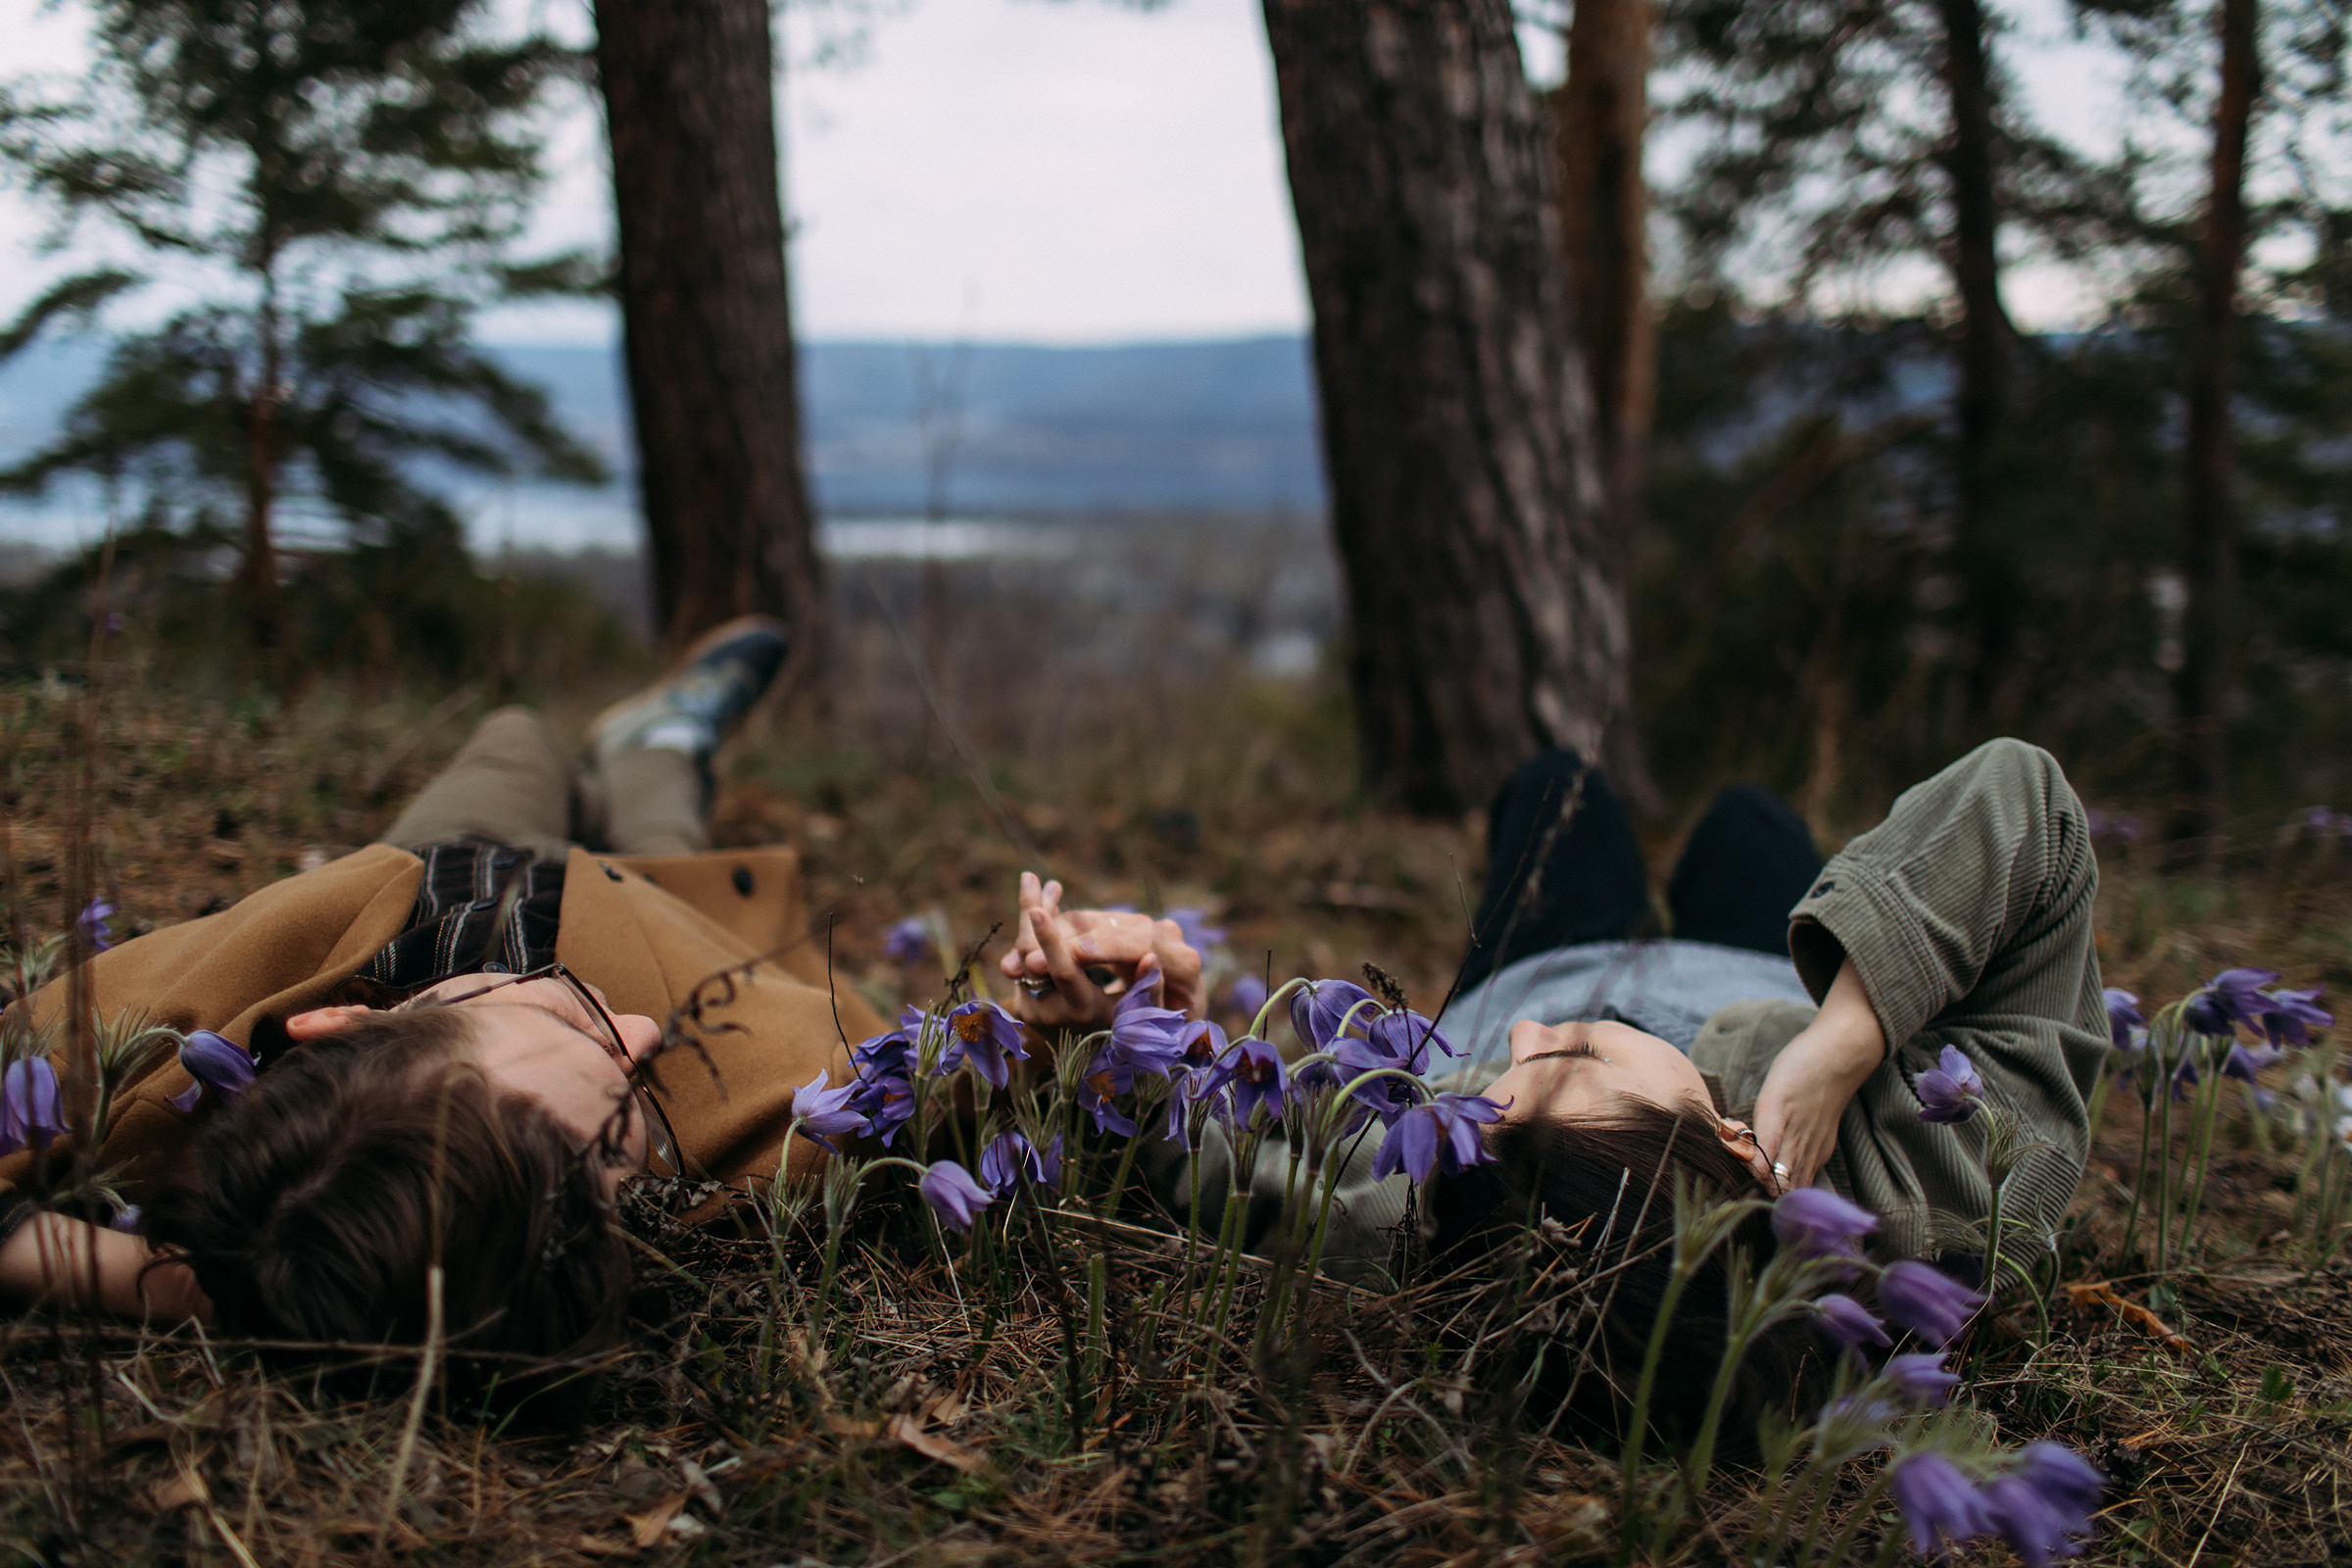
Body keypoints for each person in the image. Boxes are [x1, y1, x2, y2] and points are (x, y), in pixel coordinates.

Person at [998, 738, 2107, 1436]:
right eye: (1569, 1062)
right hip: (1781, 970)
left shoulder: (1464, 1205)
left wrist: (1135, 1036)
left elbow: (1230, 1167)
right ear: (1730, 1145)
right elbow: (2028, 803)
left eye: (1508, 1086)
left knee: (1555, 784)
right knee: (1750, 820)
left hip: (1548, 961)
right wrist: (1847, 1038)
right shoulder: (1935, 1195)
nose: (1519, 1047)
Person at [0, 618, 884, 1379]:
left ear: (346, 1020)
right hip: (651, 906)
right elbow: (927, 1081)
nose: (642, 1030)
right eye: (640, 1118)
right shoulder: (773, 1131)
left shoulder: (134, 1053)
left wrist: (218, 1278)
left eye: (561, 1012)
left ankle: (593, 771)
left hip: (445, 850)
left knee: (517, 735)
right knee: (664, 815)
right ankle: (658, 742)